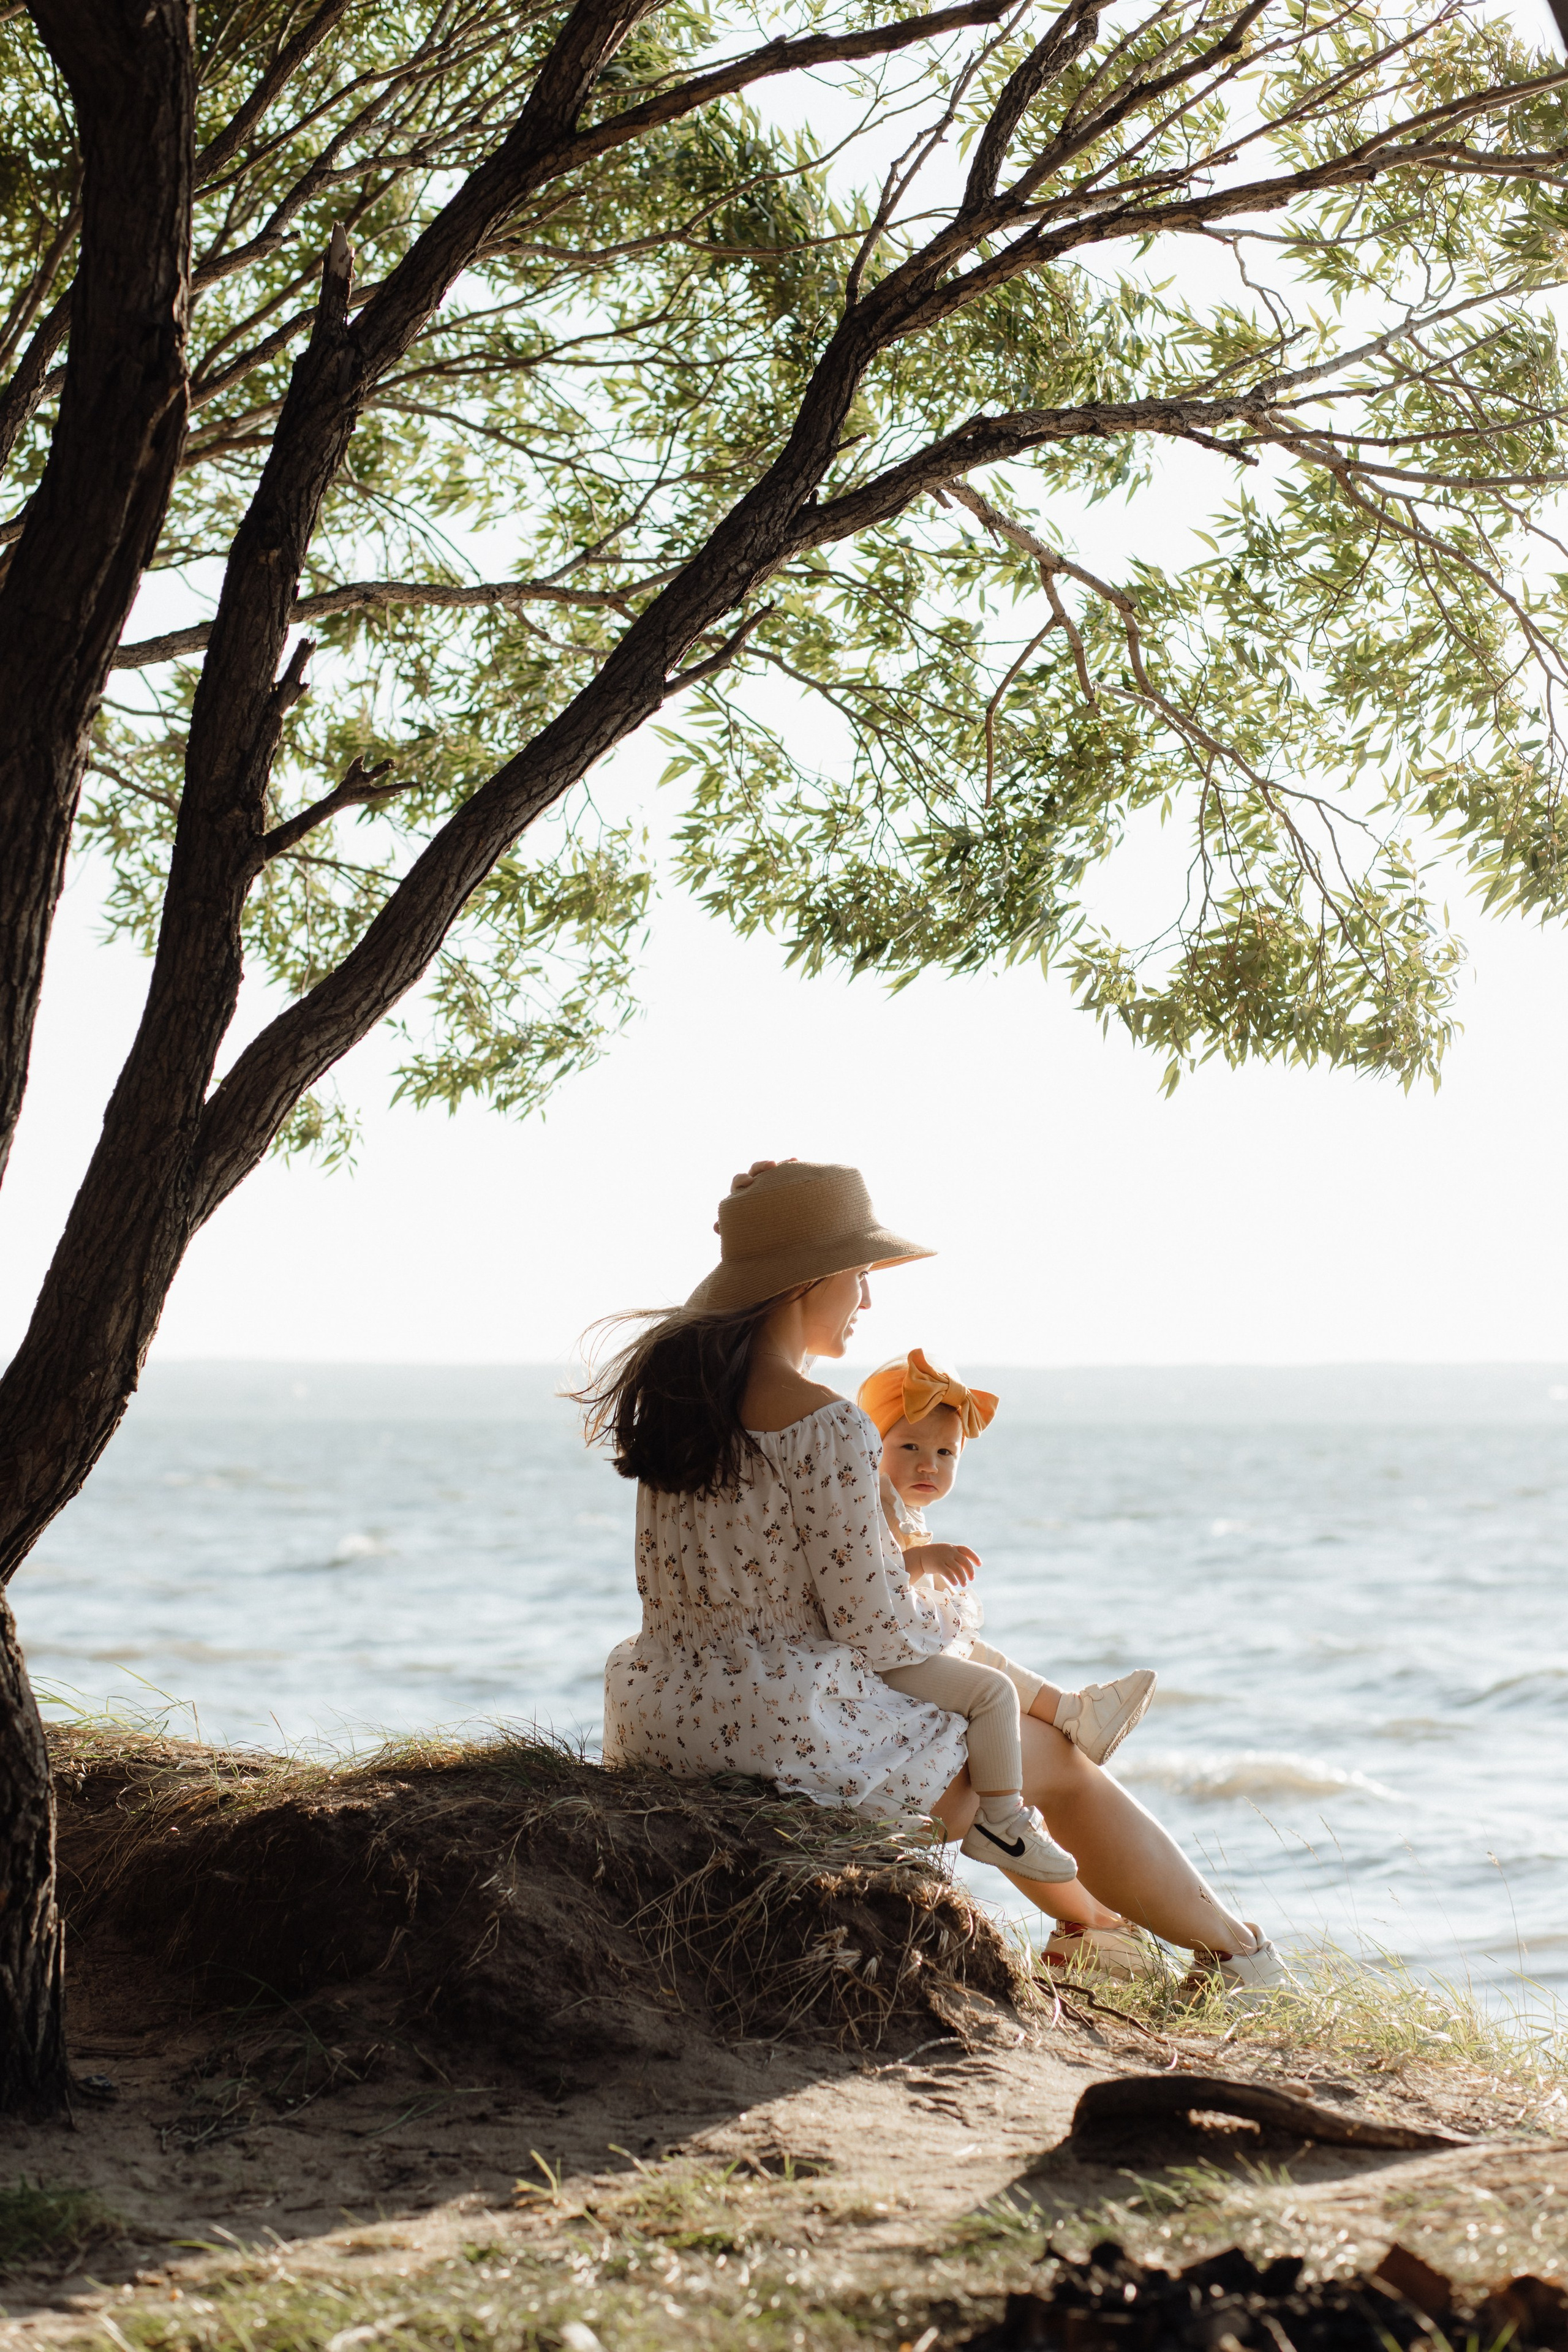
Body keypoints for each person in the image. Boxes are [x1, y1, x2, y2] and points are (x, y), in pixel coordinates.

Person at [588, 1157, 1294, 1996]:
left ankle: (1098, 1936)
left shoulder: (681, 1408)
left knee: (1010, 1745)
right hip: (780, 1733)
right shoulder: (826, 1424)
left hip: (669, 1718)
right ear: (807, 1281)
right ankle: (1239, 1959)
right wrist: (967, 1642)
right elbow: (874, 1629)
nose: (866, 1300)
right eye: (858, 1276)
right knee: (1054, 1758)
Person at [860, 1348, 1156, 1882]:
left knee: (982, 1654)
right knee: (992, 1691)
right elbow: (861, 1584)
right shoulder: (872, 1499)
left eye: (946, 1452)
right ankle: (1002, 1820)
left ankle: (1072, 1713)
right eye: (910, 1447)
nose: (929, 1464)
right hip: (878, 1658)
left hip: (901, 1642)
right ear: (872, 1446)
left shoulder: (903, 1506)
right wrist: (922, 1561)